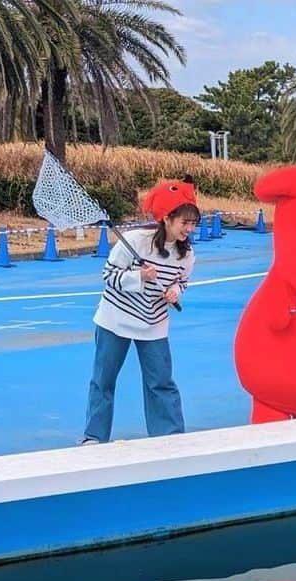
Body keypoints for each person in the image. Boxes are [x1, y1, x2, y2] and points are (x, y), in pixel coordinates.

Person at [81, 179, 201, 445]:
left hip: (153, 322)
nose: (189, 229)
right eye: (184, 222)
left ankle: (169, 437)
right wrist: (139, 277)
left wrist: (175, 292)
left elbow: (182, 281)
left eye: (193, 223)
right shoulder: (135, 241)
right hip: (115, 318)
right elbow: (108, 275)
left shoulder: (187, 255)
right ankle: (93, 436)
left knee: (161, 381)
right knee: (104, 379)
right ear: (167, 219)